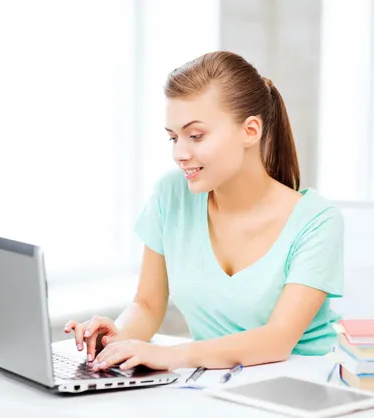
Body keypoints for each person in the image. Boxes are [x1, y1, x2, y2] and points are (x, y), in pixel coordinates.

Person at [64, 51, 343, 372]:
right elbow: (148, 304)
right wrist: (119, 337)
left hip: (308, 383)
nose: (179, 153)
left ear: (250, 131)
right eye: (173, 137)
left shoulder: (317, 221)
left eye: (195, 136)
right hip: (216, 386)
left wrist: (168, 356)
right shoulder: (171, 195)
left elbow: (277, 340)